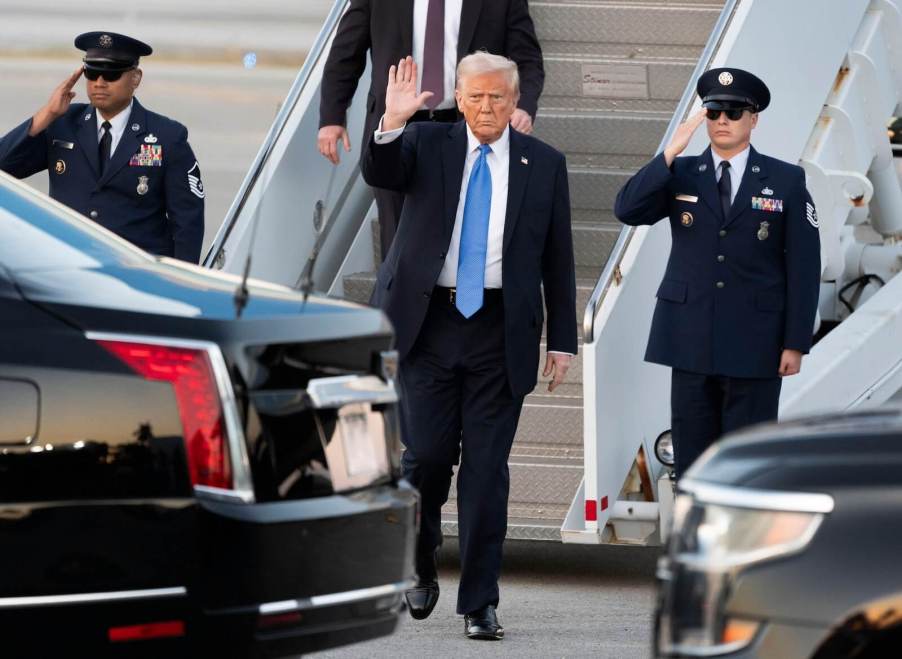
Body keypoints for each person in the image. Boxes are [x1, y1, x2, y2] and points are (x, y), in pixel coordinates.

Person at [362, 51, 575, 640]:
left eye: (497, 98)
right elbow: (379, 172)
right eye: (475, 97)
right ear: (459, 98)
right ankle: (419, 555)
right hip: (428, 324)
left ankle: (480, 601)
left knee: (486, 471)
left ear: (514, 103)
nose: (486, 107)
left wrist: (562, 340)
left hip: (500, 330)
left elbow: (558, 258)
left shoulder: (544, 163)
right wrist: (393, 120)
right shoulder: (425, 145)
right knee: (426, 457)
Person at [614, 67, 821, 478]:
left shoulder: (786, 180)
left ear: (754, 118)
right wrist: (671, 151)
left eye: (733, 111)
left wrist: (795, 342)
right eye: (713, 112)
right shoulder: (682, 173)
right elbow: (628, 209)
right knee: (693, 462)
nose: (722, 120)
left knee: (750, 462)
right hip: (690, 339)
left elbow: (804, 265)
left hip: (756, 343)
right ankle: (697, 541)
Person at [318, 0, 544, 260]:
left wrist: (522, 106)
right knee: (398, 243)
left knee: (464, 238)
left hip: (468, 128)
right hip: (397, 128)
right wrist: (332, 117)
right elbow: (346, 53)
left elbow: (527, 59)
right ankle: (398, 300)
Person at [0, 32, 204, 262]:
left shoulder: (167, 136)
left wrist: (180, 283)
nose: (100, 82)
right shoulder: (61, 124)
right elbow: (3, 167)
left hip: (136, 276)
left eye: (111, 73)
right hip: (67, 266)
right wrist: (46, 115)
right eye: (92, 72)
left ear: (136, 78)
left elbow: (187, 222)